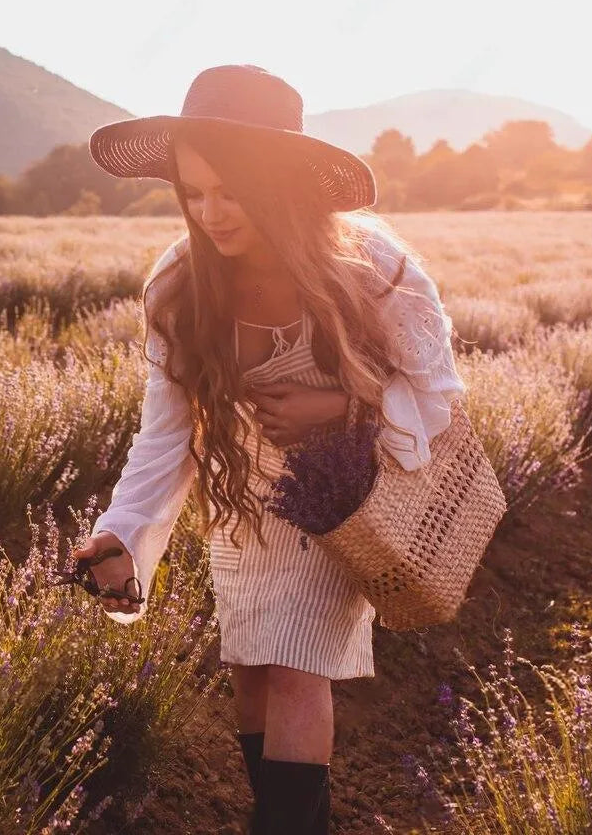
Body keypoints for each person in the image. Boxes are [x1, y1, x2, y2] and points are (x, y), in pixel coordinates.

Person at [69, 65, 465, 834]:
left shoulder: (369, 268)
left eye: (231, 190)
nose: (210, 212)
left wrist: (343, 403)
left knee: (294, 668)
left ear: (281, 184)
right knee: (250, 669)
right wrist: (121, 535)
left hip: (338, 492)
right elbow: (166, 431)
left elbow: (439, 394)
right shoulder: (179, 283)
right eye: (194, 192)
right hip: (242, 492)